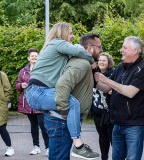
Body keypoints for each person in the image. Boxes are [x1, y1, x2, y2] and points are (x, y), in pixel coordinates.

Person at [25, 22, 96, 158]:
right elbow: (80, 51)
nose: (73, 36)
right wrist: (91, 61)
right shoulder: (57, 43)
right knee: (73, 103)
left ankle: (75, 142)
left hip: (40, 92)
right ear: (62, 33)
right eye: (70, 33)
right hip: (38, 91)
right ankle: (78, 145)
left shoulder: (58, 50)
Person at [40, 33, 102, 160]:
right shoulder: (82, 63)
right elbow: (62, 86)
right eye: (99, 47)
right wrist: (65, 111)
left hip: (63, 120)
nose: (101, 50)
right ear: (90, 48)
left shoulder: (84, 63)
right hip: (61, 120)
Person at [95, 36, 144, 160]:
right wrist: (91, 80)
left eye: (125, 47)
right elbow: (107, 88)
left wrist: (105, 80)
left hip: (135, 125)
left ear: (135, 51)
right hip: (117, 123)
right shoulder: (121, 66)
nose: (121, 50)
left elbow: (130, 92)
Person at [15, 48, 49, 156]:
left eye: (36, 55)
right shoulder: (23, 71)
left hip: (40, 101)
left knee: (43, 125)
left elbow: (48, 83)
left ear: (39, 57)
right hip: (28, 102)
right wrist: (21, 85)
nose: (34, 57)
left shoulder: (43, 69)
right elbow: (17, 84)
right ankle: (36, 147)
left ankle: (48, 147)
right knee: (33, 125)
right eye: (32, 56)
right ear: (28, 58)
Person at [92, 53, 114, 160]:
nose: (101, 62)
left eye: (104, 60)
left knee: (113, 138)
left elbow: (113, 90)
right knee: (102, 137)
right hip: (97, 112)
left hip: (109, 112)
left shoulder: (113, 74)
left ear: (109, 62)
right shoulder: (93, 74)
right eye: (100, 60)